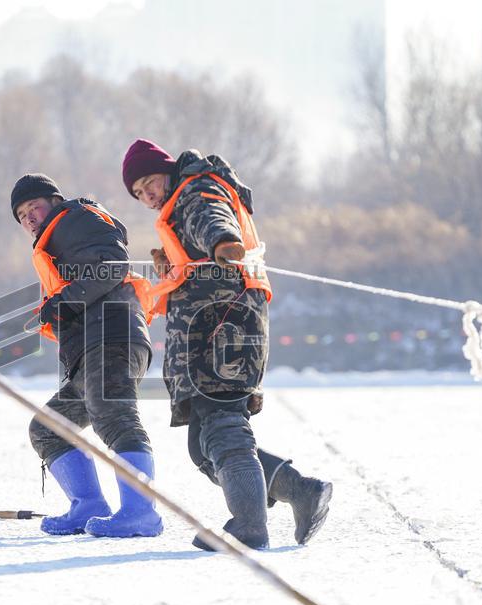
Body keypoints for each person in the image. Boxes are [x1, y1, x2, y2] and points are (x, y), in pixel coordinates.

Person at [121, 139, 333, 550]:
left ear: (167, 170)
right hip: (204, 333)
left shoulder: (196, 190)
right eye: (138, 192)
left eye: (149, 182)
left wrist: (222, 242)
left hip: (224, 327)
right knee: (202, 445)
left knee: (222, 428)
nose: (146, 195)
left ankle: (250, 527)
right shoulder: (177, 205)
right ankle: (301, 491)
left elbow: (212, 217)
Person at [11, 173, 163, 538]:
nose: (30, 217)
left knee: (115, 416)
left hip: (112, 336)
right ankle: (88, 506)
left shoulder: (75, 219)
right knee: (48, 430)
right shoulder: (56, 238)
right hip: (90, 350)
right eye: (22, 215)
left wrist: (62, 303)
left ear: (54, 201)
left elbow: (111, 265)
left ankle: (140, 512)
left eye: (35, 207)